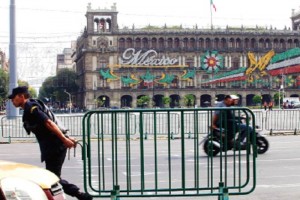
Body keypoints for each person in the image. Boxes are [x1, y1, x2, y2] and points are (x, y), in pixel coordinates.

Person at [8, 86, 93, 200]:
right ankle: (79, 195)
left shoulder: (31, 107)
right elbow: (51, 124)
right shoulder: (32, 106)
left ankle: (80, 195)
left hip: (55, 146)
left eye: (13, 98)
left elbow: (48, 123)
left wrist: (65, 139)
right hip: (52, 145)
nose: (12, 101)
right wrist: (65, 137)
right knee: (52, 177)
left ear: (21, 96)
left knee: (52, 178)